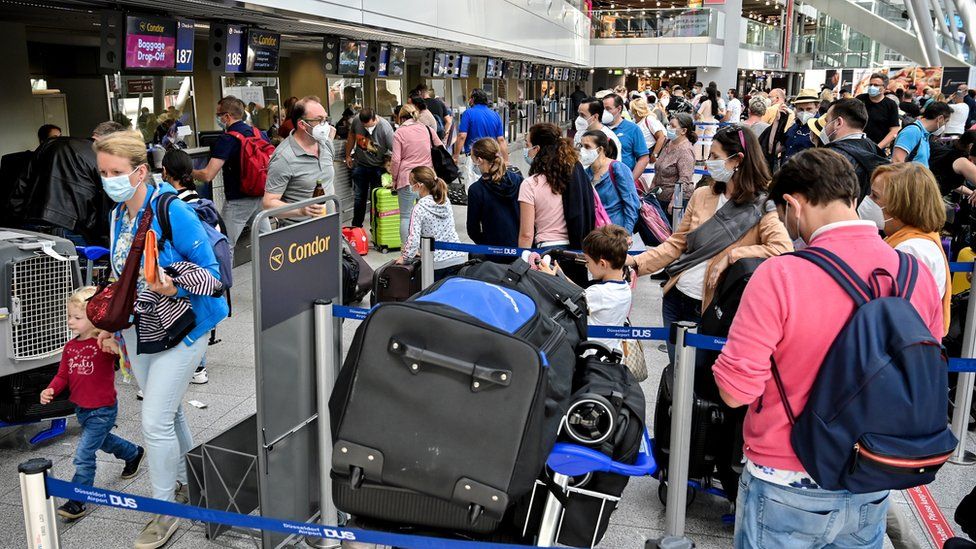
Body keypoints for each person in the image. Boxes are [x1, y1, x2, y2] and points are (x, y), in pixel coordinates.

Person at [711, 148, 943, 548]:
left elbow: (735, 393)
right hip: (874, 470)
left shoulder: (781, 274)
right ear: (853, 198)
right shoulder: (914, 273)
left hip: (787, 474)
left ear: (792, 204)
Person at [94, 131, 228, 549]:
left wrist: (172, 286)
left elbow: (215, 279)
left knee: (153, 421)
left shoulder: (172, 210)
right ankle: (194, 481)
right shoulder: (118, 214)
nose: (109, 179)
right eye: (102, 172)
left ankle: (165, 511)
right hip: (141, 329)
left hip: (185, 326)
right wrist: (109, 325)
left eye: (116, 172)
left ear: (139, 171)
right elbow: (122, 278)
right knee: (166, 414)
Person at [628, 124, 792, 362]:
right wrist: (635, 261)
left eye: (715, 156)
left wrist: (733, 255)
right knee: (677, 373)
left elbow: (782, 250)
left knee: (698, 380)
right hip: (676, 297)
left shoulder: (762, 206)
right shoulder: (702, 195)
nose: (708, 163)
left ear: (737, 160)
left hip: (713, 308)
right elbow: (677, 243)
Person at [41, 286, 145, 521]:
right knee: (103, 441)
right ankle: (133, 453)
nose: (70, 321)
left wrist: (117, 348)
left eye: (77, 318)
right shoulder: (70, 347)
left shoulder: (103, 344)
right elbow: (63, 376)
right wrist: (51, 389)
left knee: (84, 454)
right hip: (81, 409)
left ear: (95, 318)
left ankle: (78, 499)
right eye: (69, 316)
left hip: (103, 409)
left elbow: (126, 358)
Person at [871, 163, 950, 334]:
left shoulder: (910, 250)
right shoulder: (914, 240)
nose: (868, 201)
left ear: (900, 205)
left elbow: (903, 322)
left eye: (875, 196)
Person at [191, 96, 272, 252]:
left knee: (224, 245)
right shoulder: (258, 133)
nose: (218, 118)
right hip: (260, 194)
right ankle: (271, 273)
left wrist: (188, 171)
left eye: (218, 115)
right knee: (265, 241)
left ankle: (224, 277)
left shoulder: (227, 139)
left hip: (238, 200)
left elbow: (208, 175)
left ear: (226, 116)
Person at [540, 225, 632, 353]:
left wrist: (551, 279)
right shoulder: (623, 287)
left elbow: (574, 298)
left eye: (588, 261)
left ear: (602, 264)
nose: (587, 266)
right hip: (611, 351)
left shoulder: (599, 293)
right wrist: (561, 276)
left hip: (592, 356)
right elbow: (580, 293)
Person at [263, 96, 335, 225]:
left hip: (330, 228)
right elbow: (268, 204)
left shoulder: (326, 144)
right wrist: (300, 210)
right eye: (319, 120)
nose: (325, 125)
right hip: (299, 237)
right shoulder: (283, 157)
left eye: (326, 119)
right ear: (302, 124)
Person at [812, 98, 887, 203]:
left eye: (827, 121)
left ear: (838, 122)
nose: (824, 127)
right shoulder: (873, 148)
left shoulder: (832, 157)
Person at [518, 123, 579, 251]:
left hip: (546, 249)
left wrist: (522, 261)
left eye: (527, 145)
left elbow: (526, 234)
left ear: (537, 149)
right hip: (575, 247)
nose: (526, 150)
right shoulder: (575, 176)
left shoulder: (530, 184)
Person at [398, 166, 466, 280]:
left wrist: (405, 258)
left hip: (436, 264)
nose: (410, 188)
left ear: (419, 186)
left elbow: (413, 239)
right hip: (457, 258)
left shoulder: (419, 208)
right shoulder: (444, 200)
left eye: (411, 184)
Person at [391, 103, 443, 244]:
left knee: (406, 216)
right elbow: (441, 147)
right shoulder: (427, 129)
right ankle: (425, 248)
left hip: (407, 179)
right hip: (426, 178)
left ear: (401, 117)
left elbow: (396, 160)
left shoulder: (400, 132)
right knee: (426, 215)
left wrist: (394, 180)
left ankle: (407, 251)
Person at [466, 137, 522, 256]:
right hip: (521, 248)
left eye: (473, 159)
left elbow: (473, 229)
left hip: (493, 252)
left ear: (479, 160)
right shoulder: (518, 180)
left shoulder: (476, 190)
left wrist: (486, 244)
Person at [580, 130, 640, 232]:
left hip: (615, 232)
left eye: (587, 147)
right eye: (581, 146)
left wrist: (626, 233)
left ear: (600, 150)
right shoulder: (586, 173)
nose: (582, 150)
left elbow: (631, 203)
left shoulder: (617, 168)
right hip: (595, 233)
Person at [345, 107, 395, 228]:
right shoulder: (357, 121)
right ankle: (356, 227)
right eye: (365, 127)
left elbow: (395, 150)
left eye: (370, 126)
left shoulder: (385, 128)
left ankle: (375, 227)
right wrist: (348, 155)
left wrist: (393, 169)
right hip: (360, 165)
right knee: (359, 197)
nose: (368, 129)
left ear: (375, 118)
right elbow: (351, 135)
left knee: (376, 199)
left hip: (378, 167)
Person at [454, 88, 508, 190]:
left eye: (470, 98)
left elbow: (462, 136)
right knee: (492, 188)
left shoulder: (468, 113)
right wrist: (506, 160)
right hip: (492, 159)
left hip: (474, 159)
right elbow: (501, 140)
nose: (469, 100)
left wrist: (456, 156)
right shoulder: (495, 115)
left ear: (473, 99)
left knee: (473, 189)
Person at [762, 88, 820, 169]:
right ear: (796, 108)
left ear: (817, 107)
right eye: (801, 109)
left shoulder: (820, 128)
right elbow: (774, 149)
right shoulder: (794, 127)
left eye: (809, 109)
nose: (804, 113)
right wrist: (777, 122)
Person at [649, 113, 697, 211]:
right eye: (669, 124)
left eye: (673, 126)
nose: (669, 128)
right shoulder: (668, 143)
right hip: (660, 197)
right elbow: (658, 169)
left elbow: (684, 179)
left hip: (675, 202)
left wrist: (674, 201)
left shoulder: (685, 150)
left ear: (683, 131)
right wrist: (651, 191)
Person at [604, 93, 650, 181]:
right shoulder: (600, 128)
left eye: (608, 109)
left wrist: (631, 181)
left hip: (623, 180)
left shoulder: (633, 129)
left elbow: (643, 158)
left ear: (619, 109)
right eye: (603, 109)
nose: (605, 112)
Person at [893, 101, 951, 167]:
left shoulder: (925, 134)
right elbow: (897, 161)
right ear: (940, 119)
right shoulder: (913, 131)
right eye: (946, 121)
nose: (944, 125)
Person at [857, 73, 901, 151]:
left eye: (876, 85)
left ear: (884, 88)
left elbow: (894, 130)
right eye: (870, 84)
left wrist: (878, 148)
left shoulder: (890, 105)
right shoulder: (860, 99)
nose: (872, 87)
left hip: (877, 146)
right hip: (857, 143)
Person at [630, 97, 667, 177]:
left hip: (649, 157)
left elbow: (661, 137)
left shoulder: (649, 119)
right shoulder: (635, 121)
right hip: (638, 157)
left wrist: (654, 154)